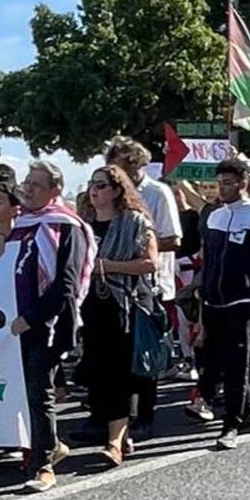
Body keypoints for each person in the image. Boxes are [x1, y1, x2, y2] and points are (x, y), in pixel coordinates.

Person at [0, 162, 92, 491]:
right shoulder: (22, 226)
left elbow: (65, 284)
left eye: (36, 184)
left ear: (55, 190)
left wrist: (30, 318)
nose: (28, 188)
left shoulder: (66, 226)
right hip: (17, 322)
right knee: (22, 392)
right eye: (27, 182)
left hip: (47, 323)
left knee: (39, 391)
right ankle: (48, 445)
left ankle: (43, 465)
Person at [79, 165, 159, 467]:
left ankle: (114, 442)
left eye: (101, 185)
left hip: (122, 305)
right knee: (97, 372)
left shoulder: (135, 222)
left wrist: (109, 266)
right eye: (92, 185)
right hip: (91, 306)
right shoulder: (84, 225)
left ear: (116, 190)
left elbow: (150, 263)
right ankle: (119, 433)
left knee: (118, 374)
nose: (94, 190)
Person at [103, 137, 181, 441]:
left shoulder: (157, 192)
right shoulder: (110, 196)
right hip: (114, 288)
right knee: (118, 358)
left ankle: (145, 416)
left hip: (150, 285)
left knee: (146, 353)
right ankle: (120, 417)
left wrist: (134, 247)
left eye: (120, 166)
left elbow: (173, 238)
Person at [198, 158, 250, 450]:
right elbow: (208, 263)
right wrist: (202, 296)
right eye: (219, 183)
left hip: (244, 299)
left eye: (228, 183)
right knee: (212, 359)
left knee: (237, 362)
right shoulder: (215, 217)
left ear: (243, 184)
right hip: (213, 301)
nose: (222, 188)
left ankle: (231, 423)